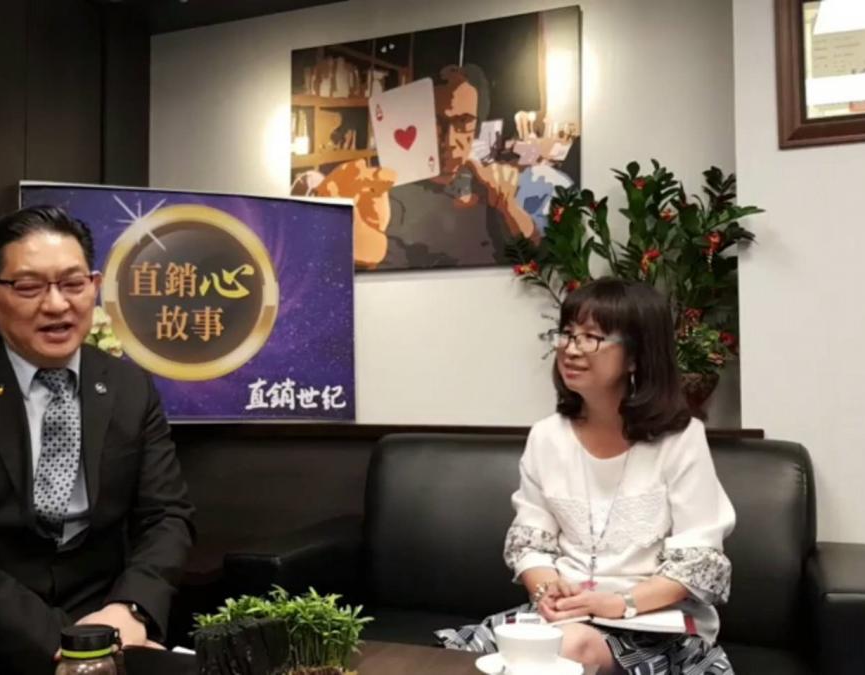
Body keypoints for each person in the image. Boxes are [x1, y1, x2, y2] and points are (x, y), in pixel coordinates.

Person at [0, 205, 195, 675]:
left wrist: (129, 609)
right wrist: (72, 646)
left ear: (94, 285)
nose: (57, 305)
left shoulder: (130, 388)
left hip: (104, 621)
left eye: (72, 283)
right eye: (29, 287)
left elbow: (166, 516)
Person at [437, 278, 736, 674]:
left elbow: (699, 561)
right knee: (451, 657)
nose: (571, 348)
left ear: (635, 357)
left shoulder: (680, 439)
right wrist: (547, 589)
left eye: (591, 337)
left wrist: (618, 603)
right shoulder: (546, 437)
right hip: (566, 618)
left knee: (567, 648)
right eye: (567, 333)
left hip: (654, 624)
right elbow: (530, 544)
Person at [313, 64, 538, 269]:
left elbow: (539, 263)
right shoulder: (387, 198)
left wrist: (509, 207)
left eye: (463, 122)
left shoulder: (488, 185)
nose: (450, 140)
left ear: (477, 126)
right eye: (437, 123)